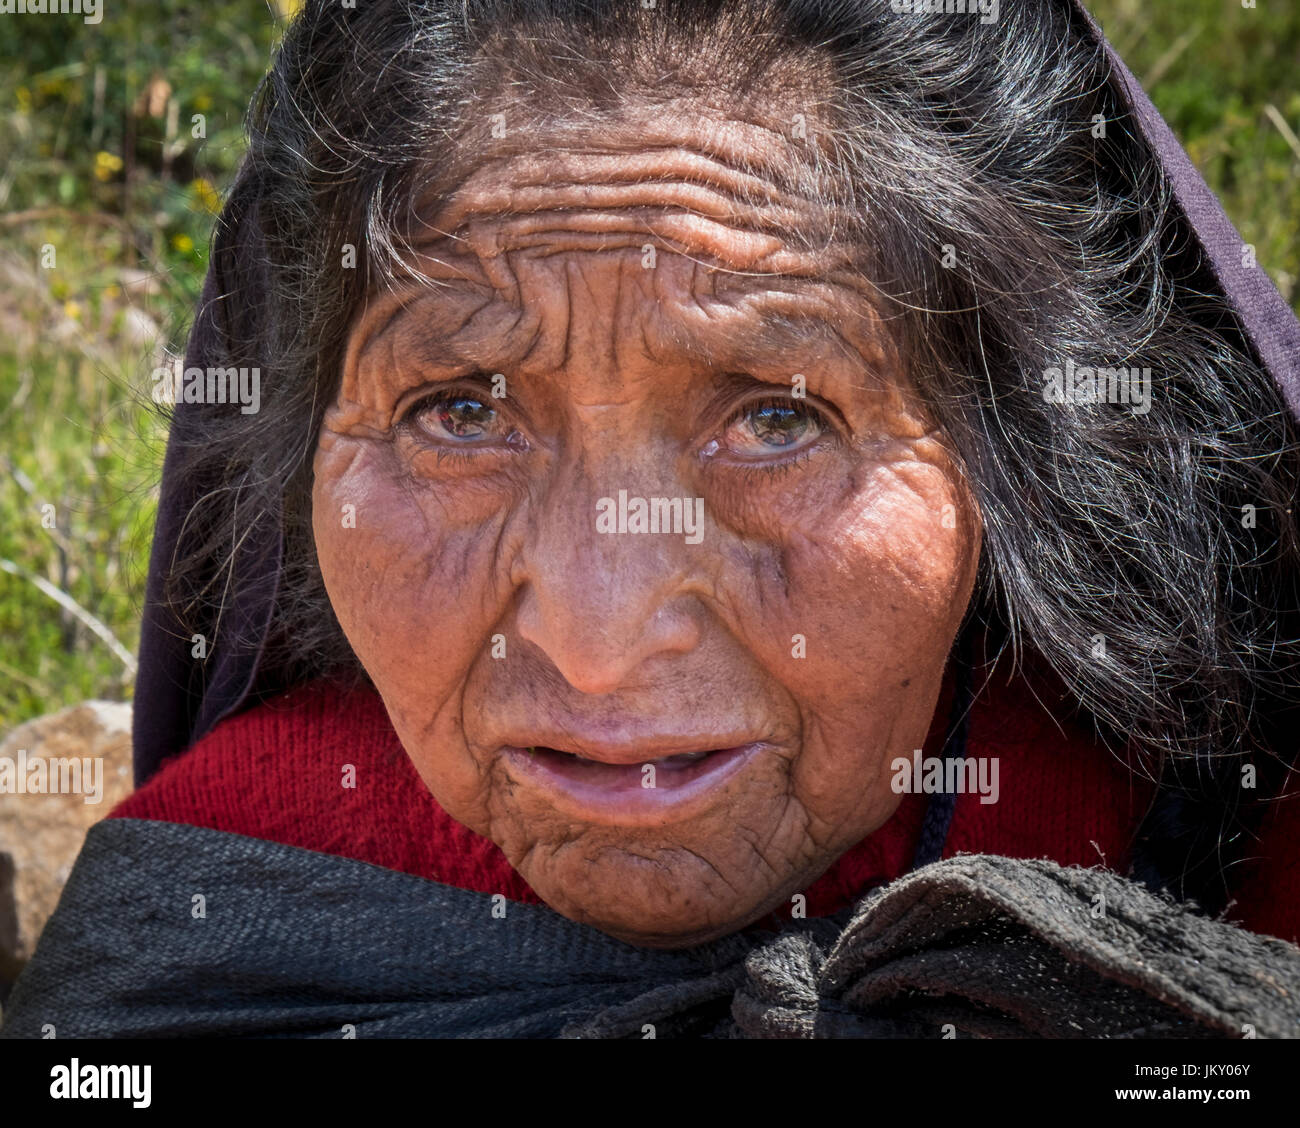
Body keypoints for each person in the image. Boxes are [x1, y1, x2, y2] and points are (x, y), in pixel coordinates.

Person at [5, 0, 1300, 1038]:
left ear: (1017, 456)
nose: (598, 640)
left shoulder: (1230, 843)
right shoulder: (206, 930)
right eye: (459, 413)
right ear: (303, 451)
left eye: (780, 418)